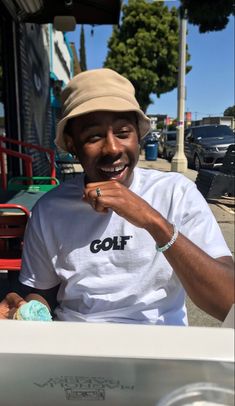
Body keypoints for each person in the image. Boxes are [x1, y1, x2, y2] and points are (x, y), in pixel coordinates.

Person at [1, 68, 234, 324]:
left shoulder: (176, 193)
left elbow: (226, 303)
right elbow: (43, 292)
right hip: (77, 348)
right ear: (71, 144)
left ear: (138, 136)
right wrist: (26, 310)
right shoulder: (49, 209)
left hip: (160, 349)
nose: (112, 148)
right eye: (94, 136)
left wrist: (153, 222)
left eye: (123, 133)